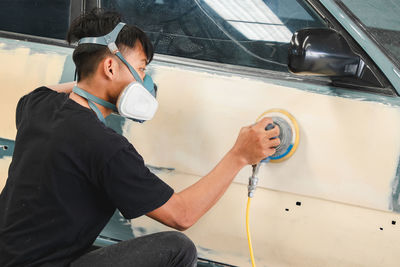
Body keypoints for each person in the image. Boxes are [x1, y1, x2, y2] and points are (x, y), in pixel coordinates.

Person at [0, 8, 280, 267]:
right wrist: (240, 155)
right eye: (142, 69)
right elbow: (182, 215)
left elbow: (52, 90)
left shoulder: (37, 106)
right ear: (110, 67)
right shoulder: (107, 147)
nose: (144, 82)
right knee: (177, 248)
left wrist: (96, 83)